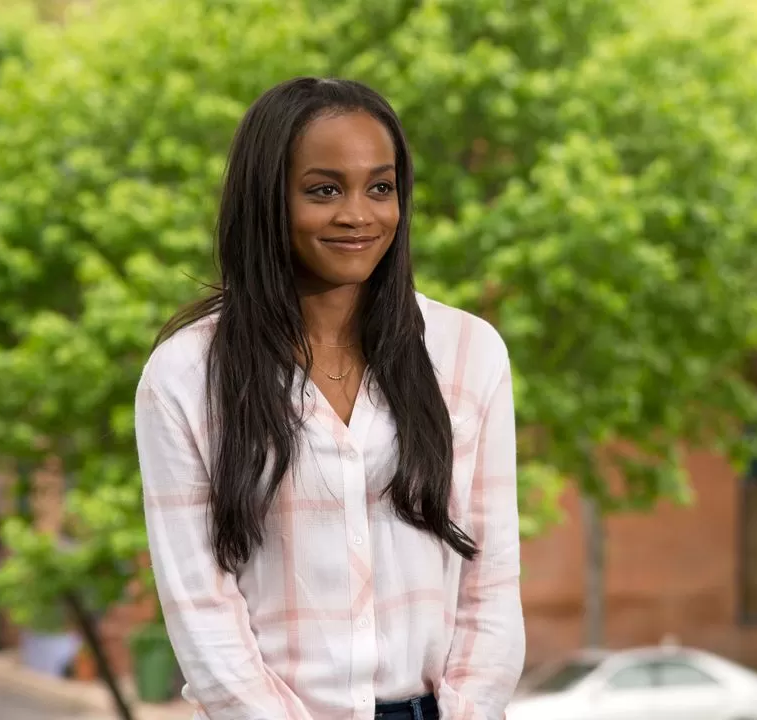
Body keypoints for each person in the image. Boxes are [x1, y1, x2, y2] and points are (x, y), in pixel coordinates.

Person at [135, 76, 525, 720]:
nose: (358, 214)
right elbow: (199, 603)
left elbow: (492, 575)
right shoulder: (185, 376)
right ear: (267, 201)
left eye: (381, 187)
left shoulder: (469, 352)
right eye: (323, 190)